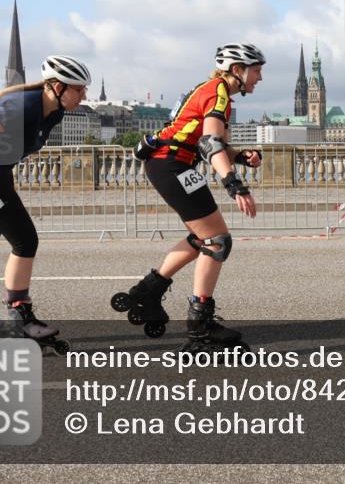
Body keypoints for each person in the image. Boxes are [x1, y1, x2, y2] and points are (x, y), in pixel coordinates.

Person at [112, 43, 263, 350]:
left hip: (172, 164)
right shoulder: (218, 91)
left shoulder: (212, 90)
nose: (260, 78)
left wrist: (241, 157)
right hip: (172, 165)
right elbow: (209, 143)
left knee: (202, 237)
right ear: (238, 70)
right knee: (217, 241)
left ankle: (148, 292)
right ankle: (200, 330)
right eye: (257, 70)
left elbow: (211, 143)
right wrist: (235, 185)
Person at [0, 55, 91, 351]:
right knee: (25, 239)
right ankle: (20, 316)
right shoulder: (21, 107)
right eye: (78, 89)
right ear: (56, 86)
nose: (83, 95)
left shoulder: (54, 112)